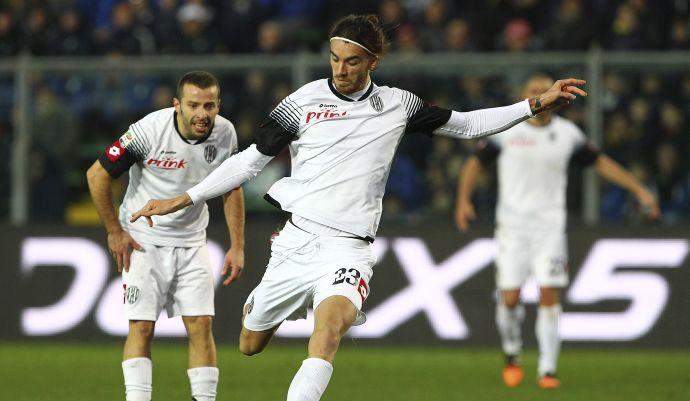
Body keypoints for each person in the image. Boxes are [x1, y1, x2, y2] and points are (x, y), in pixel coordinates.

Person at [130, 15, 586, 401]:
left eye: (351, 61)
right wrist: (185, 198)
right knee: (249, 343)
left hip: (349, 249)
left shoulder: (398, 105)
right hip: (296, 241)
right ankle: (269, 309)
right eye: (335, 59)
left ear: (372, 61)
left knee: (327, 333)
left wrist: (535, 103)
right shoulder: (303, 102)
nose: (341, 69)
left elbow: (466, 126)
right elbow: (252, 159)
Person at [454, 73, 659, 390]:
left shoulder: (567, 134)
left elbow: (601, 163)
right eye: (533, 90)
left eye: (543, 89)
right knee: (510, 299)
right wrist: (464, 200)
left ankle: (547, 370)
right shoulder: (506, 130)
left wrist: (640, 191)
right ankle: (512, 354)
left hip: (550, 228)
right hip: (512, 228)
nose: (540, 95)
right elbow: (474, 163)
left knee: (549, 294)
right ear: (525, 95)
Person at [86, 71, 245, 401]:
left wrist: (237, 245)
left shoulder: (226, 133)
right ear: (177, 105)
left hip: (192, 241)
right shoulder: (148, 131)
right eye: (194, 105)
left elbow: (232, 188)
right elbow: (97, 174)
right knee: (142, 327)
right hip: (144, 240)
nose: (202, 113)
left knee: (201, 326)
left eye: (210, 105)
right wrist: (115, 232)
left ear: (218, 105)